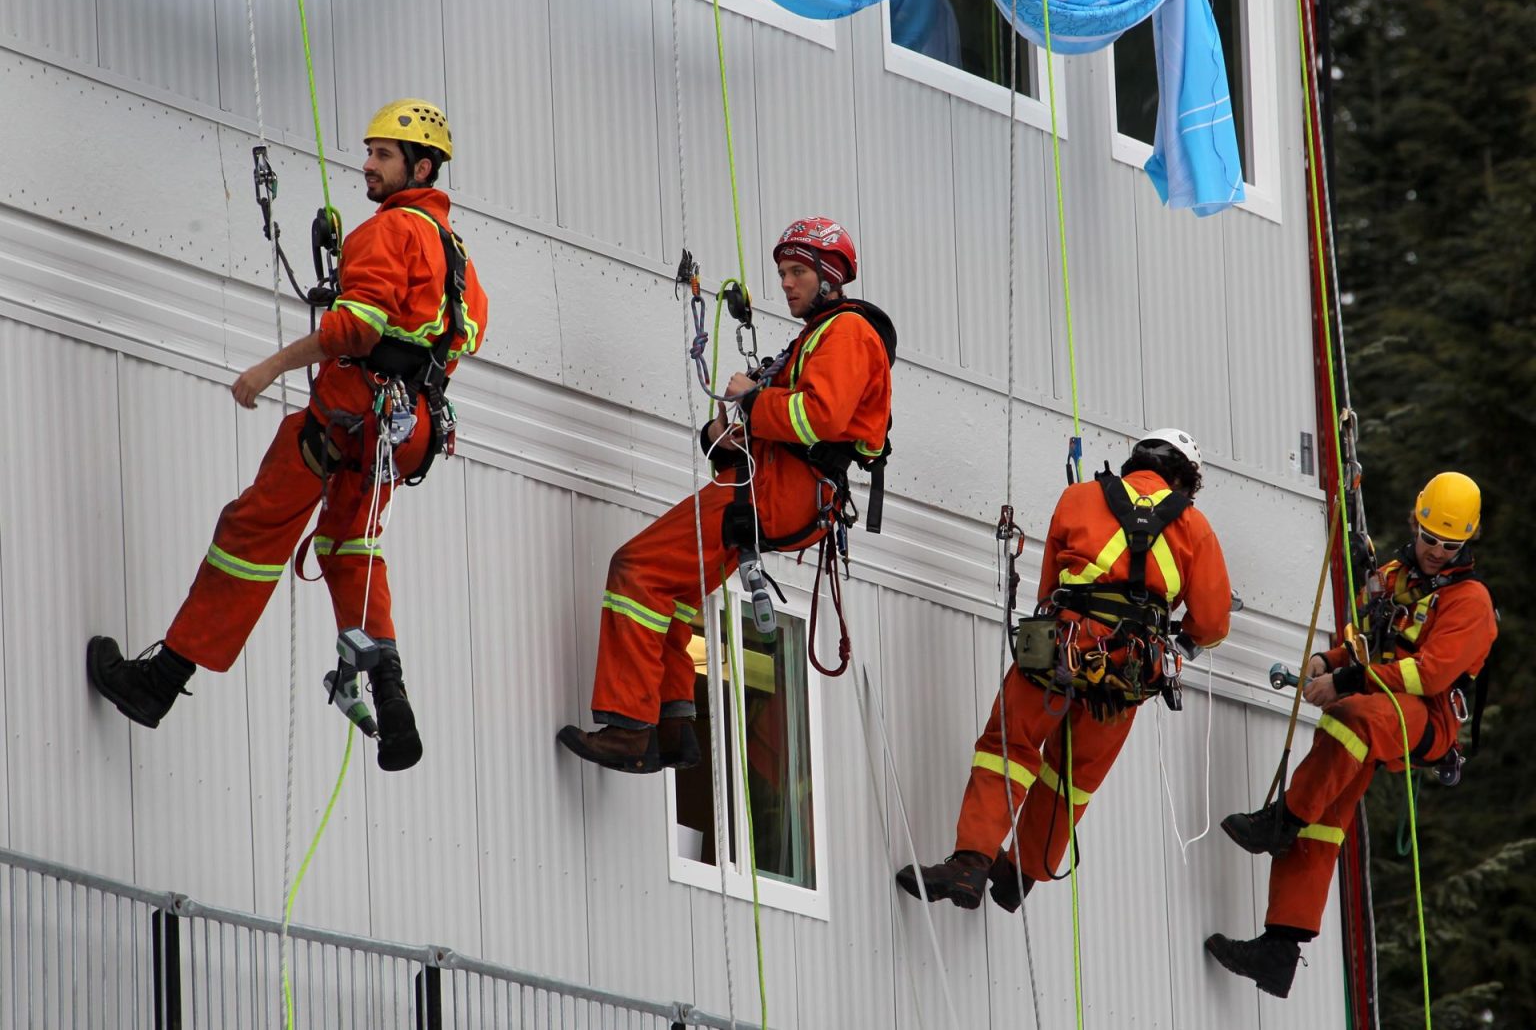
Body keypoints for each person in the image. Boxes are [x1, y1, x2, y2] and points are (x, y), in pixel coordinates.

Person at [86, 99, 489, 773]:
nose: (366, 163)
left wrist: (270, 365)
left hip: (346, 415)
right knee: (350, 549)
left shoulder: (389, 231)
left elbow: (354, 330)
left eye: (382, 154)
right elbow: (462, 336)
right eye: (368, 150)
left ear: (421, 166)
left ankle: (155, 685)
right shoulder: (459, 257)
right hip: (406, 432)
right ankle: (392, 699)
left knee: (251, 533)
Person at [558, 217, 895, 773]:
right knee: (672, 589)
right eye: (782, 272)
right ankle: (671, 725)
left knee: (636, 569)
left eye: (797, 272)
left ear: (829, 276)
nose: (785, 283)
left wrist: (752, 399)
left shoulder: (847, 333)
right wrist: (728, 430)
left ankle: (630, 728)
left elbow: (819, 417)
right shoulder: (821, 336)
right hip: (778, 486)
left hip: (778, 490)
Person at [897, 429, 1231, 910]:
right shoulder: (1194, 527)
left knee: (1006, 748)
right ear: (1182, 478)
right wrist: (1182, 634)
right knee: (1071, 779)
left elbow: (1049, 588)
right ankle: (1020, 874)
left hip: (1060, 648)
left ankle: (970, 864)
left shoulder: (1079, 497)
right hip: (1126, 674)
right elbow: (1212, 624)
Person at [1208, 471, 1496, 998]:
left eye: (1448, 545)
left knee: (1351, 720)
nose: (1434, 551)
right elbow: (1366, 643)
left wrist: (1347, 679)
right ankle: (1279, 950)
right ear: (1416, 522)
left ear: (1466, 542)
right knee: (1322, 819)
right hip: (1377, 698)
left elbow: (1427, 674)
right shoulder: (1393, 576)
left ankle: (1282, 819)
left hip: (1424, 719)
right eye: (1428, 538)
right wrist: (1330, 660)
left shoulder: (1469, 602)